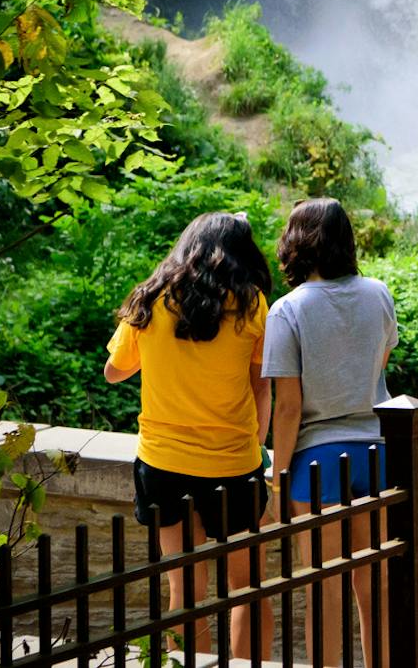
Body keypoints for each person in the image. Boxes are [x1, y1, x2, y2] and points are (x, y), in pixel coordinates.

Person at [104, 212, 272, 654]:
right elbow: (261, 386)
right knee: (248, 587)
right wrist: (258, 447)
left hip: (163, 462)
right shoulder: (252, 304)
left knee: (184, 589)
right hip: (233, 461)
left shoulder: (150, 298)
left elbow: (113, 372)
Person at [264, 199, 399, 668]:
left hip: (318, 460)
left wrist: (278, 482)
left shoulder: (287, 310)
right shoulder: (379, 294)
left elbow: (288, 409)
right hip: (377, 453)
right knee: (375, 585)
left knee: (325, 587)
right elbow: (379, 365)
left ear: (296, 243)